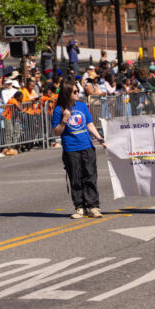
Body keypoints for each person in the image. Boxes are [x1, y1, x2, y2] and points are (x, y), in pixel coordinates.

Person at [52, 81, 106, 219]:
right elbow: (57, 132)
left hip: (86, 146)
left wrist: (100, 139)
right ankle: (79, 207)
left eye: (78, 91)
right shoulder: (59, 109)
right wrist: (64, 119)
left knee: (90, 177)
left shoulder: (82, 106)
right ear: (67, 94)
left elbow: (89, 124)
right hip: (71, 148)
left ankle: (93, 206)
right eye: (74, 92)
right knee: (75, 178)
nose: (78, 94)